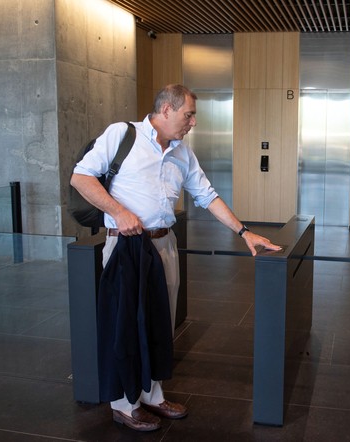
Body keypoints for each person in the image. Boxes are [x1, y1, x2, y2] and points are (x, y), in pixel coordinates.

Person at [70, 84, 281, 432]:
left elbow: (206, 195)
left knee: (160, 324)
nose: (193, 122)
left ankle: (152, 394)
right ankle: (124, 404)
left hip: (164, 244)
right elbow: (81, 177)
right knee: (126, 326)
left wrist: (245, 232)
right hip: (125, 247)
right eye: (189, 115)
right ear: (166, 110)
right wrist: (118, 211)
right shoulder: (123, 135)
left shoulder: (182, 153)